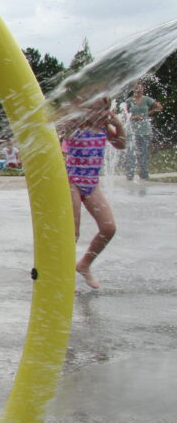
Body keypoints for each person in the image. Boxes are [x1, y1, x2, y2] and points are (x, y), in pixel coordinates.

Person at [65, 98, 126, 290]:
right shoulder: (75, 125)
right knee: (73, 232)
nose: (97, 113)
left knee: (109, 228)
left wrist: (118, 126)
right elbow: (62, 128)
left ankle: (84, 265)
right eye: (93, 108)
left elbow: (121, 145)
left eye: (102, 109)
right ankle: (65, 275)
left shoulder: (104, 128)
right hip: (71, 181)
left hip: (92, 184)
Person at [124, 81, 162, 181]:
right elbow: (124, 114)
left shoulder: (147, 99)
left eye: (140, 89)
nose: (139, 90)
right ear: (133, 90)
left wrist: (148, 114)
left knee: (143, 152)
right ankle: (130, 174)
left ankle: (144, 174)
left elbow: (159, 107)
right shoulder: (129, 101)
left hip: (145, 129)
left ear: (143, 89)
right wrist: (133, 117)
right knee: (131, 152)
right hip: (132, 130)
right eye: (137, 89)